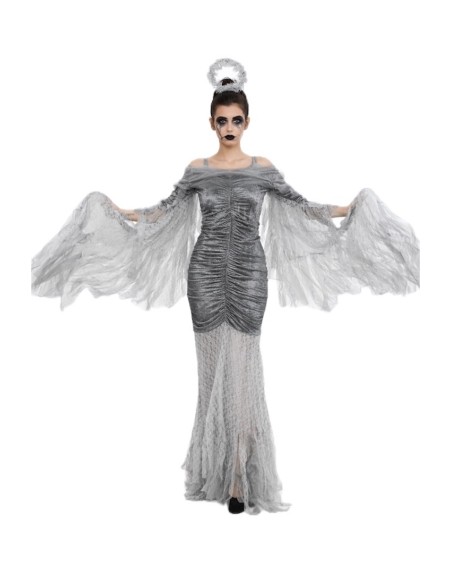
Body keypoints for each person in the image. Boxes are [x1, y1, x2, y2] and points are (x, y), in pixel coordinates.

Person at [31, 58, 420, 515]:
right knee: (212, 375)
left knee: (242, 375)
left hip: (249, 275)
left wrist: (349, 208)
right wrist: (120, 211)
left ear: (247, 122)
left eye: (236, 120)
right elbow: (164, 210)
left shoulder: (262, 168)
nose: (229, 128)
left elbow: (303, 206)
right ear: (211, 123)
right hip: (205, 274)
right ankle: (222, 475)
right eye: (222, 121)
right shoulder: (197, 169)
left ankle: (238, 475)